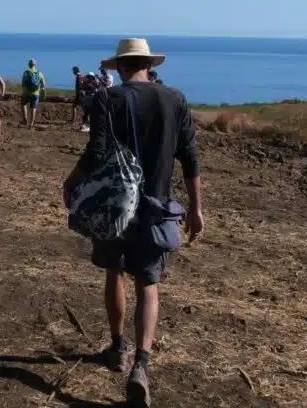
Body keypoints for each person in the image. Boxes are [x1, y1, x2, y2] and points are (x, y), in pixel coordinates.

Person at [63, 38, 204, 408]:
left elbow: (95, 153)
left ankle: (117, 346)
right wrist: (196, 207)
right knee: (149, 283)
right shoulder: (175, 99)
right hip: (157, 207)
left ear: (120, 67)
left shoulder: (108, 100)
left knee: (114, 272)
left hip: (114, 207)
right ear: (146, 64)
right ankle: (141, 363)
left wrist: (71, 182)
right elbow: (190, 157)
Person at [21, 59, 46, 129]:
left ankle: (25, 120)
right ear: (35, 65)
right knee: (33, 108)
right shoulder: (40, 73)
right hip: (36, 93)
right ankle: (31, 124)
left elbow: (23, 84)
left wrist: (25, 90)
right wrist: (40, 90)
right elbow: (43, 84)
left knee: (23, 104)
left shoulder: (26, 72)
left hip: (26, 93)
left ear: (29, 65)